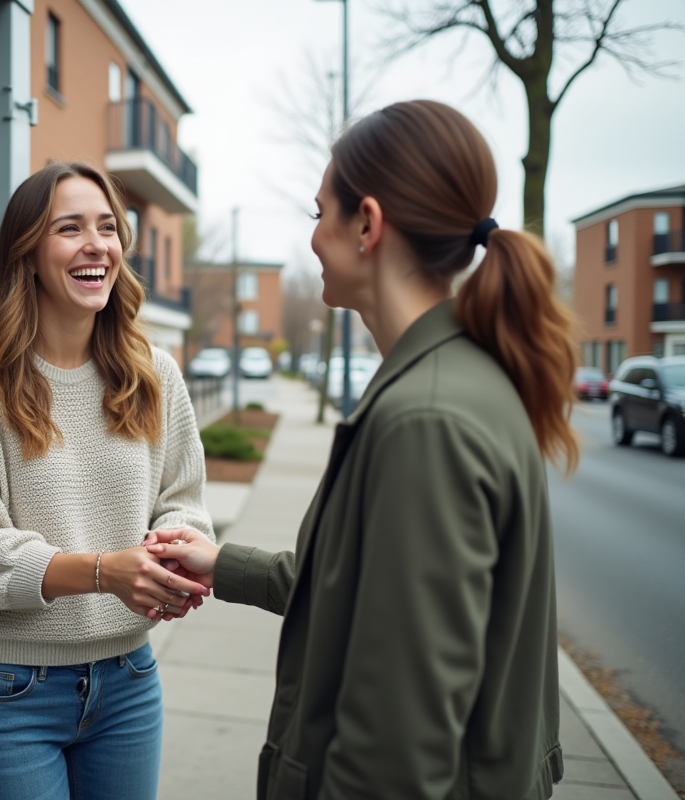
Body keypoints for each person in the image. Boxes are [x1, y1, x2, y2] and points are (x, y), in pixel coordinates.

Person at [145, 100, 577, 800]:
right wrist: (222, 564)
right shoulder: (452, 379)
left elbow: (395, 756)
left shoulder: (426, 421)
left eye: (320, 213)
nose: (314, 237)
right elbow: (364, 591)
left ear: (367, 225)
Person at [0, 161, 214, 800]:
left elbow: (183, 501)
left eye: (108, 227)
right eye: (70, 228)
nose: (96, 245)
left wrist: (166, 555)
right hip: (9, 693)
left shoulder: (154, 374)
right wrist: (108, 570)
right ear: (27, 255)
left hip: (130, 681)